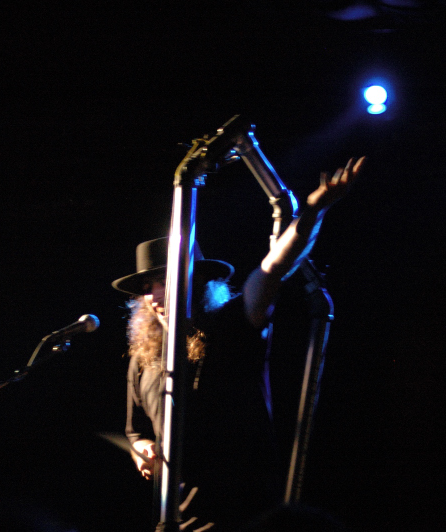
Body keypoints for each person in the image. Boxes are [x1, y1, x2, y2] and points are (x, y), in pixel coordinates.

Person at [113, 157, 365, 531]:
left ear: (197, 282)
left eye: (162, 281)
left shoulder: (232, 324)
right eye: (146, 287)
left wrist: (313, 212)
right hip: (179, 519)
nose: (153, 295)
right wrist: (142, 450)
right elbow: (136, 432)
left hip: (246, 516)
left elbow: (273, 267)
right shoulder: (143, 359)